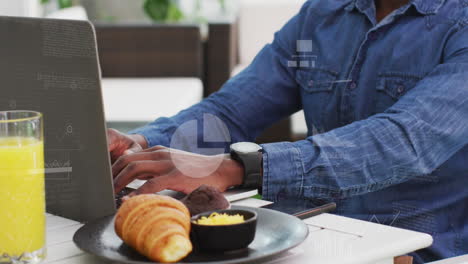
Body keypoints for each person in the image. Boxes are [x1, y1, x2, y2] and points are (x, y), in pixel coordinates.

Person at [107, 0, 468, 262]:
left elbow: (406, 140)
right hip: (308, 233)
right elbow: (231, 110)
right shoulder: (322, 15)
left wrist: (238, 166)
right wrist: (140, 144)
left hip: (414, 248)